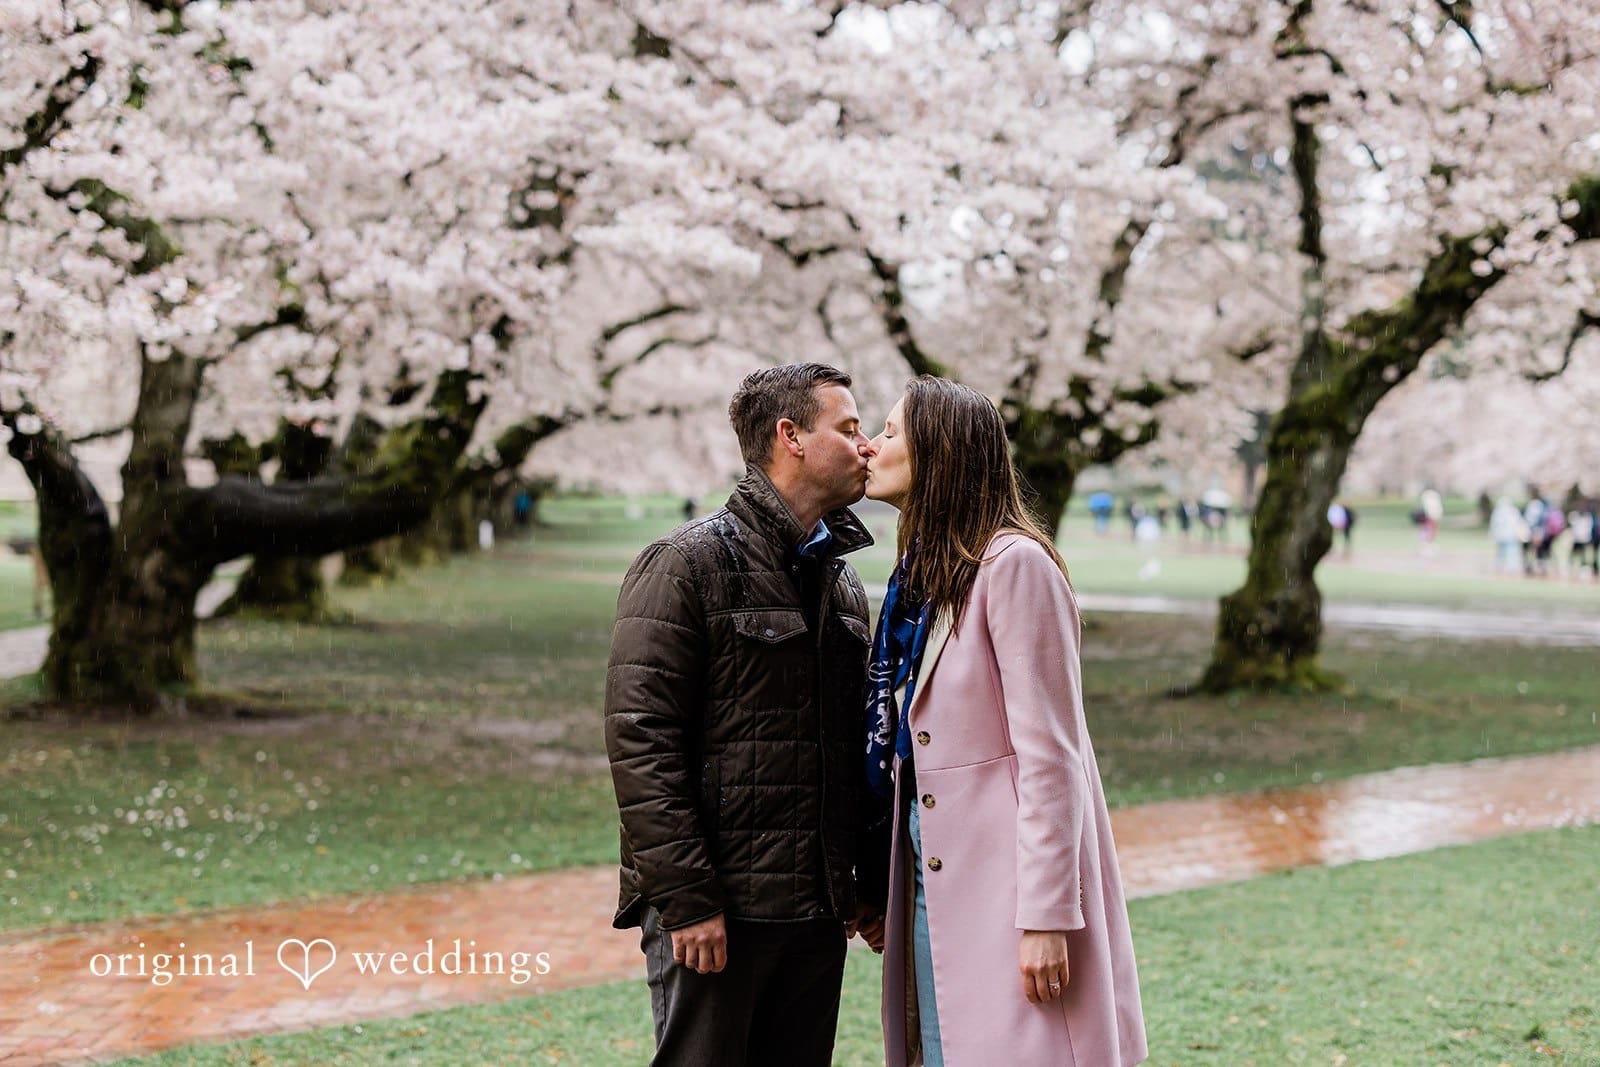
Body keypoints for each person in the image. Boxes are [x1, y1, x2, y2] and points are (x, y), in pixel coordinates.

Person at [861, 376, 1147, 1067]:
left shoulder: (1015, 568)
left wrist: (1047, 916)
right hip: (934, 876)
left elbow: (1052, 758)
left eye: (892, 432)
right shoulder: (919, 581)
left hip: (1005, 891)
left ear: (941, 455)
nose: (870, 445)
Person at [604, 363, 881, 1066]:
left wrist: (865, 883)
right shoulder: (684, 563)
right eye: (848, 429)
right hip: (719, 914)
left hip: (816, 915)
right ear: (790, 436)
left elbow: (856, 747)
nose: (866, 446)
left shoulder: (844, 583)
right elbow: (642, 743)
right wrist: (689, 899)